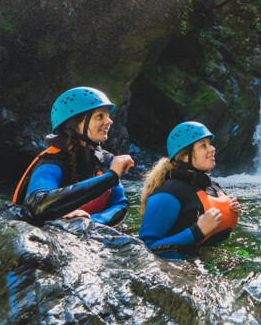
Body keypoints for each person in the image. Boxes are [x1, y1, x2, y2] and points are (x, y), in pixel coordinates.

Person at [14, 87, 134, 226]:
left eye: (108, 116)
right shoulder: (52, 163)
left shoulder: (106, 160)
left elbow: (120, 204)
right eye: (100, 116)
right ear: (75, 124)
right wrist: (110, 178)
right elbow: (37, 206)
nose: (110, 121)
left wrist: (90, 220)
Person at [138, 121, 242, 249]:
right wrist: (197, 231)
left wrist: (231, 212)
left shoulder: (213, 187)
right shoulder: (168, 192)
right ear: (185, 156)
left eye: (210, 144)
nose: (212, 149)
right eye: (203, 145)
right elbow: (147, 247)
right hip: (176, 266)